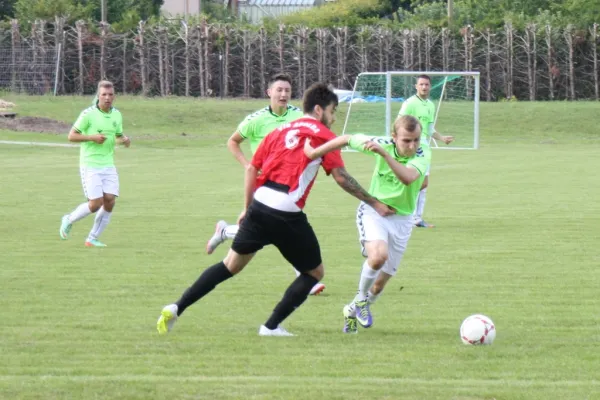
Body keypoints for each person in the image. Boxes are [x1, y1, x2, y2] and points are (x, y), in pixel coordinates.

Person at [157, 83, 394, 337]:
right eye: (333, 111)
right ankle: (270, 327)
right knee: (314, 272)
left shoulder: (279, 131)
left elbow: (251, 170)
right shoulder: (323, 134)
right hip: (285, 210)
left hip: (260, 204)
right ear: (318, 110)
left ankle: (176, 307)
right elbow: (341, 178)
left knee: (230, 266)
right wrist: (374, 203)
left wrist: (247, 209)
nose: (334, 118)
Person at [303, 115, 432, 334]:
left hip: (403, 221)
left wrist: (384, 155)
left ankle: (351, 310)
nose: (412, 146)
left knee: (380, 285)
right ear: (393, 137)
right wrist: (315, 153)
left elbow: (409, 179)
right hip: (374, 212)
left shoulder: (423, 152)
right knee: (378, 257)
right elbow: (346, 138)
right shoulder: (381, 143)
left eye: (416, 140)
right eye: (406, 141)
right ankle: (361, 301)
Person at [205, 73, 326, 296]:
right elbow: (232, 141)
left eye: (287, 91)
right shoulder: (256, 119)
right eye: (279, 90)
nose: (283, 94)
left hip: (288, 181)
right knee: (278, 227)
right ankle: (305, 274)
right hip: (263, 183)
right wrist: (247, 165)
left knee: (272, 227)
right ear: (269, 92)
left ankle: (225, 231)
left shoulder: (298, 116)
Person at [58, 80, 131, 247]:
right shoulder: (88, 114)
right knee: (95, 204)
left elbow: (118, 135)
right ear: (98, 96)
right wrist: (92, 137)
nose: (107, 98)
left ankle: (92, 238)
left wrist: (125, 140)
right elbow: (71, 136)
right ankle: (68, 219)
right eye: (104, 94)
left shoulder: (116, 115)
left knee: (110, 200)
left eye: (110, 95)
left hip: (108, 164)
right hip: (90, 164)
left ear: (114, 96)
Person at [398, 74, 453, 228]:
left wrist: (442, 138)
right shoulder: (409, 103)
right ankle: (409, 215)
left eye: (426, 84)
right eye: (421, 84)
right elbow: (399, 123)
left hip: (423, 147)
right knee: (418, 181)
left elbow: (429, 128)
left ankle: (413, 217)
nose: (424, 87)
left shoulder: (430, 105)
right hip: (411, 146)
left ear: (430, 86)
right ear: (416, 86)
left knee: (422, 183)